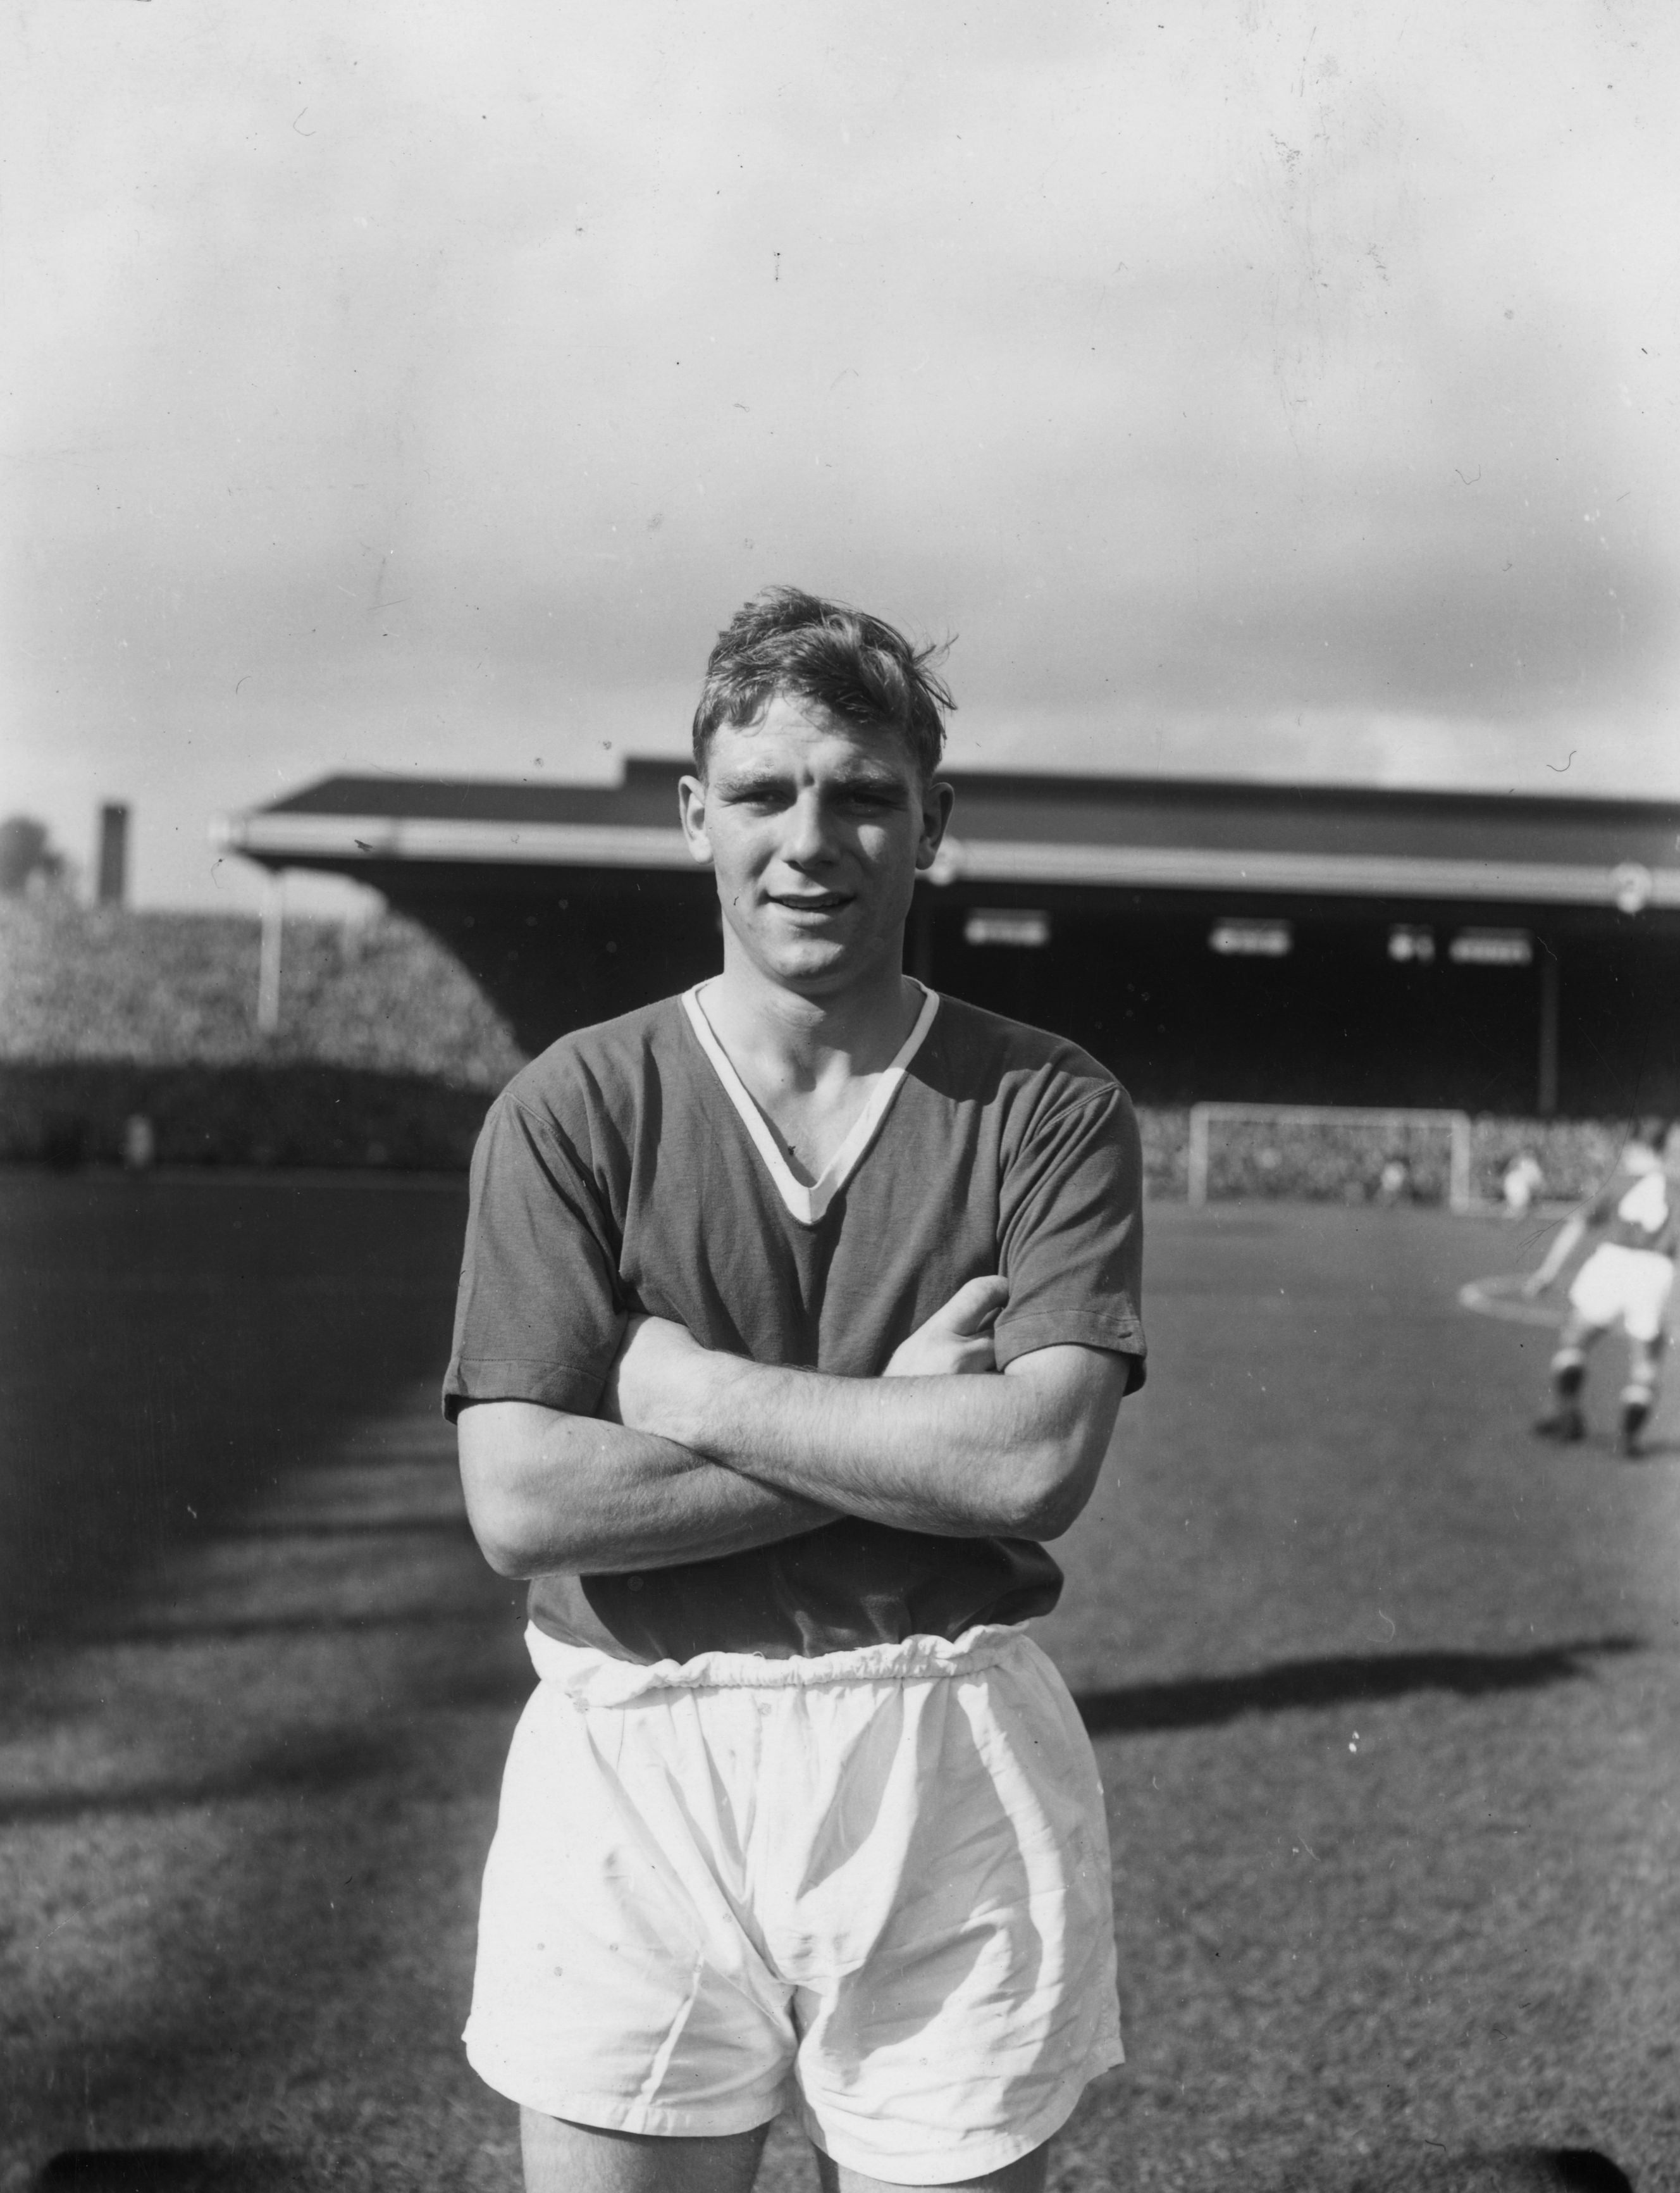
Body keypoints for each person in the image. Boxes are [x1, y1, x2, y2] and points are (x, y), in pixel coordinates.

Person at [444, 587, 1146, 2193]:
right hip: (634, 1751)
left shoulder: (1048, 1105)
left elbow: (1032, 1465)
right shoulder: (575, 1105)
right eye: (763, 793)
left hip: (942, 1746)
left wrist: (685, 1385)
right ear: (697, 817)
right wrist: (898, 1420)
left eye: (862, 796)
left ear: (932, 824)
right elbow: (525, 1501)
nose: (809, 839)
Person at [1525, 1115, 1680, 1457]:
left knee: (1574, 1339)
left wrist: (1548, 1271)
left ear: (1639, 1146)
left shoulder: (1620, 1181)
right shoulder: (1676, 1189)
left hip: (1612, 1264)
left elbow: (1577, 1226)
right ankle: (1629, 1439)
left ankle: (1568, 1415)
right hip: (1655, 1271)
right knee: (1646, 1363)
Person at [1500, 1147, 1544, 1221]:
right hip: (1519, 1190)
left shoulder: (1532, 1167)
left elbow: (1537, 1183)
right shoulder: (1518, 1166)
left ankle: (1521, 1209)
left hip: (1526, 1192)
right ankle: (1517, 1208)